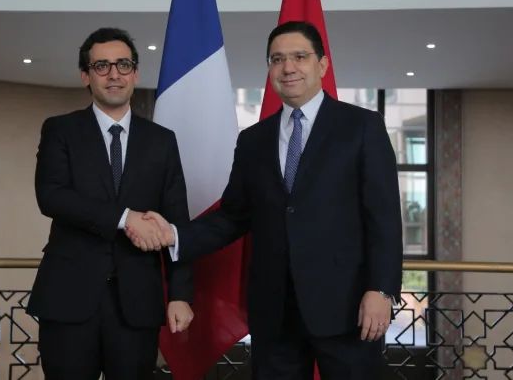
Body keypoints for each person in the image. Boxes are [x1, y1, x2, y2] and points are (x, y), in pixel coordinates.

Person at [128, 20, 403, 379]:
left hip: (347, 306)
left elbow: (384, 218)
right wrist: (174, 235)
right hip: (274, 312)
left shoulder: (362, 127)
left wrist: (381, 289)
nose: (288, 67)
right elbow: (232, 216)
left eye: (299, 57)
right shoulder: (253, 140)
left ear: (322, 64)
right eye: (277, 59)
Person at [27, 27, 194, 380]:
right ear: (85, 76)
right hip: (69, 298)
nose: (114, 74)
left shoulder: (162, 141)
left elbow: (177, 222)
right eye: (101, 66)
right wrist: (124, 218)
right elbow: (51, 196)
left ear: (135, 73)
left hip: (137, 301)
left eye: (123, 65)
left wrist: (180, 294)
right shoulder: (60, 130)